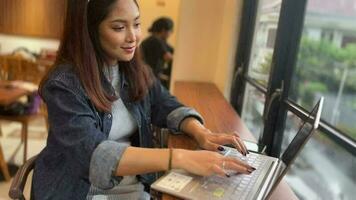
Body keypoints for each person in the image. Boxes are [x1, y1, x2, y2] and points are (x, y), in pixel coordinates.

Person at [32, 0, 255, 199]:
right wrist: (180, 157)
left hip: (131, 186)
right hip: (78, 191)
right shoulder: (63, 84)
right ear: (90, 31)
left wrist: (201, 133)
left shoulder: (133, 69)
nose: (133, 37)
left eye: (136, 24)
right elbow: (94, 153)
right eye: (119, 27)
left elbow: (165, 103)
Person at [140, 17, 174, 89]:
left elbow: (173, 51)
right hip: (149, 78)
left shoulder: (158, 40)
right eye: (171, 31)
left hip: (149, 76)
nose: (171, 34)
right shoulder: (155, 40)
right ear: (163, 30)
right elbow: (168, 57)